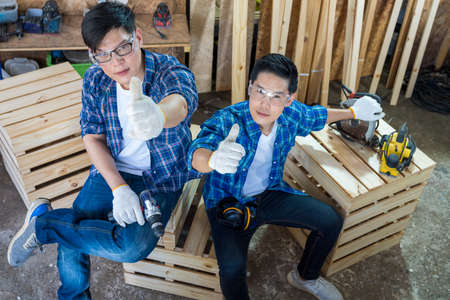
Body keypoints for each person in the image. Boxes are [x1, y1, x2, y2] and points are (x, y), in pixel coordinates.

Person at [7, 2, 198, 299]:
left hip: (162, 177)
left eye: (123, 48)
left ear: (138, 38)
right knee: (76, 232)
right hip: (112, 170)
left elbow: (181, 102)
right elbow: (93, 138)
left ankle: (44, 224)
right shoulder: (96, 80)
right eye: (103, 55)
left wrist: (157, 116)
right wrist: (119, 187)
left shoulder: (168, 72)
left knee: (130, 247)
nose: (116, 62)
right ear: (93, 55)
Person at [188, 53, 385, 300]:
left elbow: (317, 116)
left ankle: (305, 277)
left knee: (330, 221)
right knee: (232, 268)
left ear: (289, 99)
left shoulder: (291, 115)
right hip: (229, 202)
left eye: (276, 96)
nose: (264, 104)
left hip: (270, 194)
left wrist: (354, 112)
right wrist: (213, 159)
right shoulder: (228, 120)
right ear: (250, 87)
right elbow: (197, 152)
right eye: (259, 91)